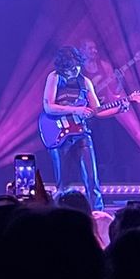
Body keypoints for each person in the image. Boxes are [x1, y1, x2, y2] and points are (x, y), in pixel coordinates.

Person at [40, 46, 104, 212]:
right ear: (63, 67)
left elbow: (97, 110)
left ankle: (97, 213)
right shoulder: (54, 77)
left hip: (81, 133)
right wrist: (76, 110)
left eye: (77, 67)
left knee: (92, 178)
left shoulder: (85, 82)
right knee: (63, 181)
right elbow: (49, 107)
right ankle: (59, 214)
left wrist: (121, 106)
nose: (74, 71)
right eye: (70, 68)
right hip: (59, 133)